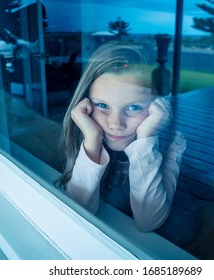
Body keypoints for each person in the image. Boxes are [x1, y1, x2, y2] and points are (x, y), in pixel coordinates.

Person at [58, 41, 199, 244]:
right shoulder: (87, 134)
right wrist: (93, 140)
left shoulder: (171, 144)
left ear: (157, 108)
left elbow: (148, 222)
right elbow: (77, 209)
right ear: (86, 104)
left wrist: (145, 139)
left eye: (133, 108)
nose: (115, 124)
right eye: (103, 105)